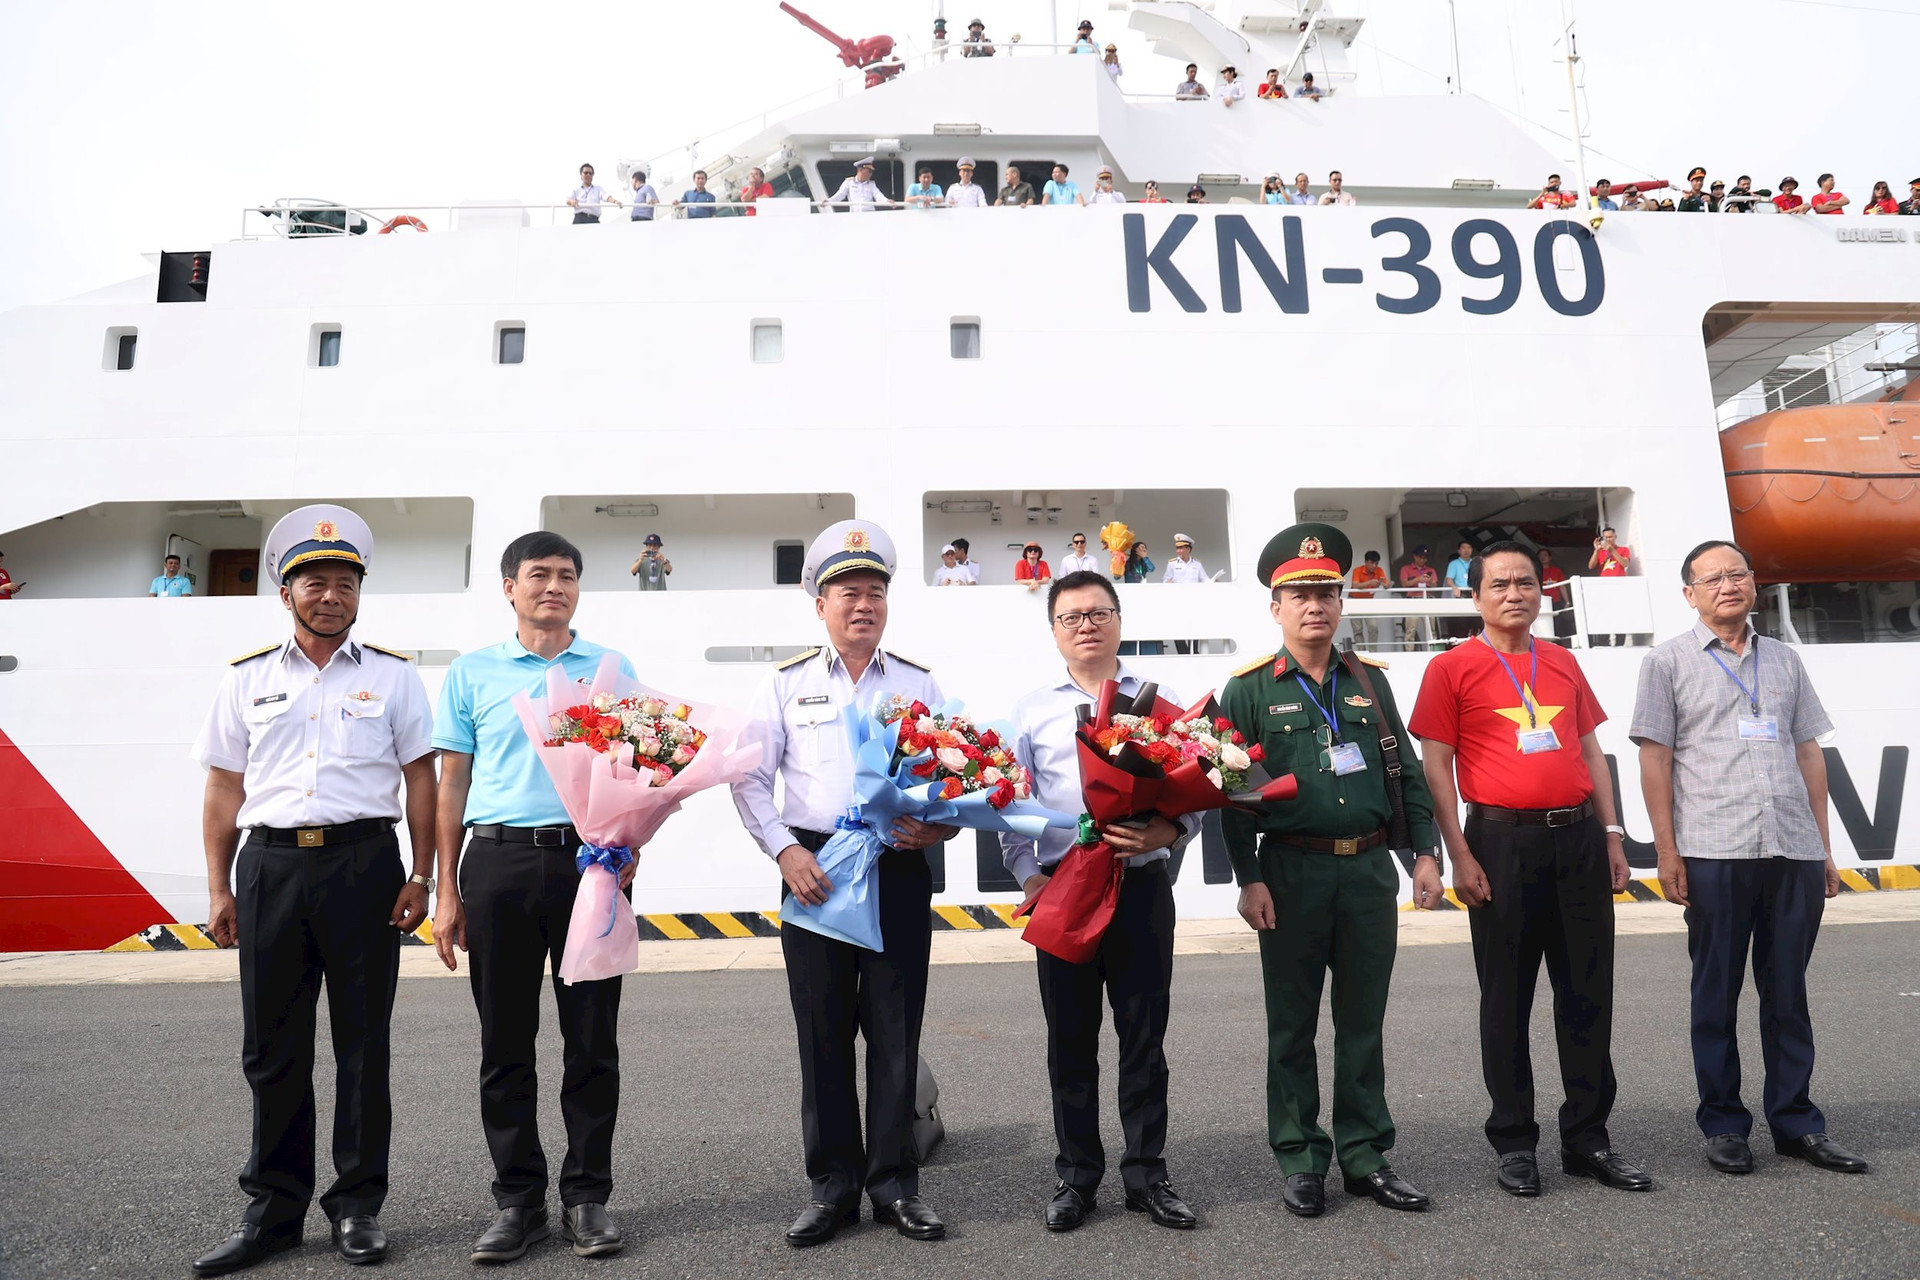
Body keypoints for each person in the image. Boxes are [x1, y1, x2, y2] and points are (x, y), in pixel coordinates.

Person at [188, 505, 436, 1277]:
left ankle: (357, 1207)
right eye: (315, 582)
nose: (332, 595)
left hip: (365, 865)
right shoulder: (246, 678)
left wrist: (423, 872)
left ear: (359, 594)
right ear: (286, 592)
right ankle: (273, 1212)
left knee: (364, 1048)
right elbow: (224, 788)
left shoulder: (393, 677)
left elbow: (419, 780)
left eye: (345, 583)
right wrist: (219, 886)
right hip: (269, 869)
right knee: (272, 1048)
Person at [730, 520, 954, 1246]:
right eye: (848, 592)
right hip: (816, 869)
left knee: (894, 1032)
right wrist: (784, 853)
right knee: (822, 1033)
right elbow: (750, 781)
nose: (863, 604)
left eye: (875, 592)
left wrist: (939, 827)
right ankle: (832, 1188)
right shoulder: (786, 683)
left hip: (894, 868)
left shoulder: (919, 683)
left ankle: (894, 1185)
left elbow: (959, 775)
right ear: (819, 604)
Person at [1409, 540, 1645, 1200]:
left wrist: (1613, 834)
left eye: (1526, 583)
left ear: (1542, 593)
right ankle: (1515, 1141)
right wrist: (1458, 851)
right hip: (1500, 843)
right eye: (1500, 584)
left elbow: (1591, 753)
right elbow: (1436, 767)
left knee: (1587, 994)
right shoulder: (1452, 668)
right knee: (1506, 1000)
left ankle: (1588, 1138)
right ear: (1475, 595)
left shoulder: (1564, 661)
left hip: (1577, 842)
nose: (1515, 593)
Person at [1630, 539, 1867, 1180]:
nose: (1727, 585)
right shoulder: (1667, 663)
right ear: (1690, 594)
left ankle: (1796, 1123)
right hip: (1713, 849)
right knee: (1716, 993)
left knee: (1788, 992)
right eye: (1712, 578)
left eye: (1737, 573)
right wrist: (1667, 851)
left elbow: (1809, 752)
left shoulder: (1785, 660)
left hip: (1790, 847)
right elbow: (1655, 758)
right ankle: (1726, 1124)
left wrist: (1822, 848)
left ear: (1754, 583)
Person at [1221, 523, 1439, 1221]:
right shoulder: (1250, 690)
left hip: (1369, 872)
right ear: (1276, 608)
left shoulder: (1371, 683)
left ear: (1339, 603)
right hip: (1290, 874)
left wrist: (1425, 854)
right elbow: (1231, 794)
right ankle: (1300, 1158)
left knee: (1362, 1023)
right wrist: (1245, 877)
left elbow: (1404, 775)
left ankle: (1366, 1155)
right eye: (1298, 594)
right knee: (1290, 1026)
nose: (1314, 604)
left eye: (1325, 592)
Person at [431, 532, 636, 1264]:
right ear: (509, 587)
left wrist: (630, 847)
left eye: (567, 575)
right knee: (505, 1046)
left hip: (587, 867)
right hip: (498, 863)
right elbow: (452, 782)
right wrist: (444, 888)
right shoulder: (474, 673)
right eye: (539, 575)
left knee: (591, 1044)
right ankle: (518, 1203)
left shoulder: (611, 669)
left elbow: (640, 767)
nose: (554, 586)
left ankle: (587, 1199)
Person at [1001, 571, 1200, 1233]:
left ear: (1118, 619)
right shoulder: (1031, 710)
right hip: (1064, 890)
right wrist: (1030, 879)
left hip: (1140, 887)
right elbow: (1012, 807)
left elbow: (1197, 784)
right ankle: (1076, 1178)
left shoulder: (1159, 700)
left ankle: (1148, 1177)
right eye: (1071, 617)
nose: (1086, 624)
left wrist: (1171, 830)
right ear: (1055, 630)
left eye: (1098, 612)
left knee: (1145, 1040)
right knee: (1070, 1042)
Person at [1349, 550, 1389, 650]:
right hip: (1354, 600)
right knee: (1357, 629)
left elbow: (1387, 585)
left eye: (1376, 563)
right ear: (1366, 562)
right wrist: (1370, 582)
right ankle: (1362, 652)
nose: (1374, 566)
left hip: (1368, 601)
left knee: (1373, 627)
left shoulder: (1379, 571)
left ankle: (1373, 652)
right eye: (1372, 563)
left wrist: (1384, 584)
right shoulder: (1357, 570)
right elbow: (1355, 585)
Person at [827, 158, 895, 213]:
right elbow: (840, 195)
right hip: (855, 216)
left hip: (870, 216)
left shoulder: (871, 184)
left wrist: (887, 201)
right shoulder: (849, 182)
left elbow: (878, 196)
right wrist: (828, 201)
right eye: (869, 171)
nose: (870, 174)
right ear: (860, 170)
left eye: (871, 172)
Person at [1539, 548, 1573, 644]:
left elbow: (1562, 586)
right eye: (1540, 555)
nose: (1543, 557)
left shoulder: (1556, 570)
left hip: (1556, 602)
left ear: (1550, 558)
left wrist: (1567, 601)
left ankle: (1559, 645)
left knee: (1558, 624)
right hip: (1543, 603)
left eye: (1545, 555)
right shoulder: (1536, 571)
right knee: (1544, 625)